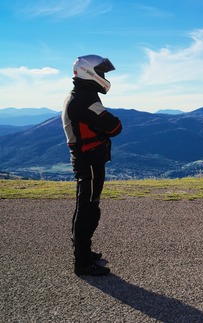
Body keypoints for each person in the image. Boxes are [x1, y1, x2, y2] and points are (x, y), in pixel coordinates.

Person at [62, 55, 122, 276]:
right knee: (87, 208)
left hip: (90, 158)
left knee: (89, 206)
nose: (104, 77)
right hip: (88, 159)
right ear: (89, 72)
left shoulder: (81, 95)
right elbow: (114, 127)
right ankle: (82, 262)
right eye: (102, 72)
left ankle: (84, 251)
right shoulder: (84, 100)